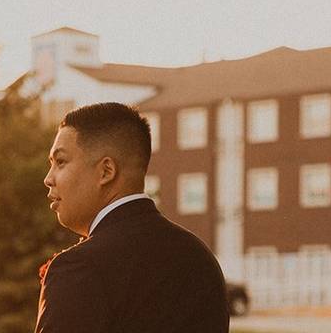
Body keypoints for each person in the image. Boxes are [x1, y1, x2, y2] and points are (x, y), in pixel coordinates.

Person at [36, 102, 229, 332]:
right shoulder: (201, 260)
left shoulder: (81, 268)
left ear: (106, 171)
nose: (49, 178)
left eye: (60, 162)